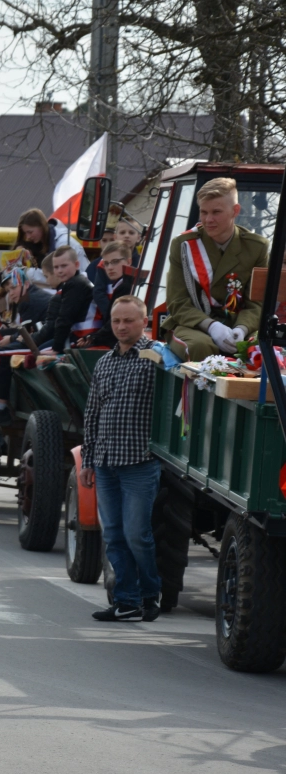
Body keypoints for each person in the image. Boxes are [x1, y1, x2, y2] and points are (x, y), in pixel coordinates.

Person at [82, 296, 162, 621]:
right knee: (113, 535)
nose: (121, 327)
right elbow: (92, 413)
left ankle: (151, 593)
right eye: (116, 321)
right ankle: (126, 601)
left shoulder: (156, 358)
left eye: (128, 320)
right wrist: (88, 459)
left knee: (136, 534)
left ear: (144, 322)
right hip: (105, 462)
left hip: (140, 463)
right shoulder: (105, 362)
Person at [161, 177, 269, 360]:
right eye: (204, 212)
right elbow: (177, 301)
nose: (208, 220)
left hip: (238, 323)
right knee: (200, 347)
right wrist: (211, 326)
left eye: (216, 212)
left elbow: (257, 303)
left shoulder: (256, 247)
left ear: (235, 211)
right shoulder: (184, 245)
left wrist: (241, 329)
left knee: (262, 351)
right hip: (193, 324)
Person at [32, 247, 92, 354]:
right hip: (80, 336)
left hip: (82, 338)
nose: (59, 271)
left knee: (38, 353)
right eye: (56, 267)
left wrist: (56, 349)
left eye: (64, 266)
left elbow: (65, 318)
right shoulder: (78, 281)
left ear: (77, 265)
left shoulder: (75, 285)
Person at [80, 241, 135, 349]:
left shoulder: (127, 287)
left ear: (128, 261)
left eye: (115, 262)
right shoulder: (121, 285)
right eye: (106, 263)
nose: (109, 267)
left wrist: (94, 337)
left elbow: (115, 325)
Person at [13, 208, 89, 285]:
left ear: (41, 226)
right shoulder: (43, 243)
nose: (28, 237)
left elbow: (56, 276)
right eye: (25, 233)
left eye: (30, 232)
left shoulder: (63, 243)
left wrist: (25, 272)